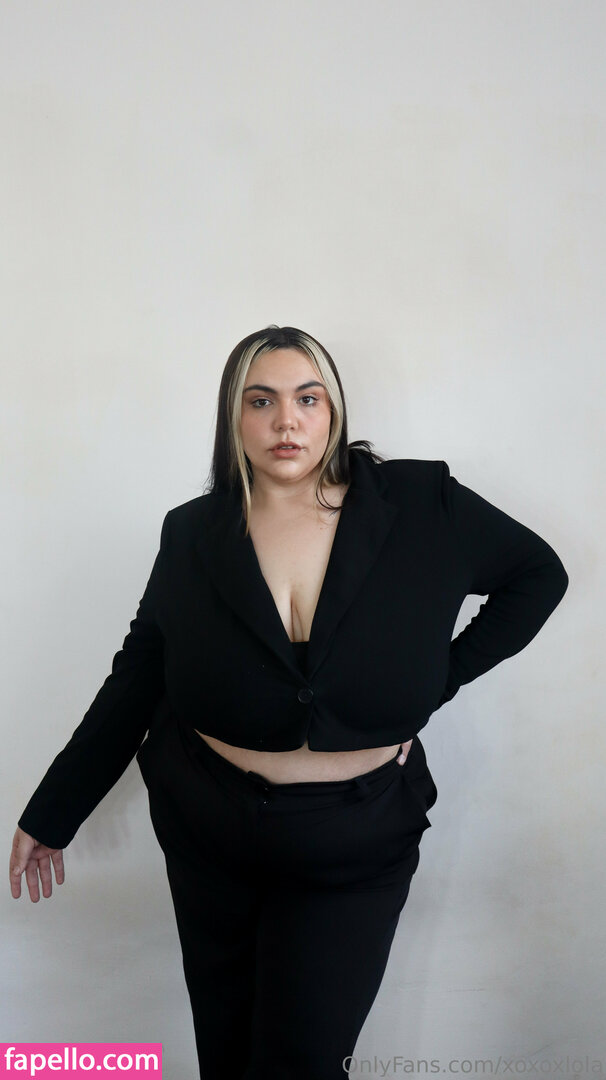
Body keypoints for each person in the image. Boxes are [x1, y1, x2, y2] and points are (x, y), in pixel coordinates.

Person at [10, 325, 569, 1080]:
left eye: (308, 399)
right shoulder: (191, 532)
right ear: (233, 418)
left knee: (300, 1063)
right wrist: (54, 811)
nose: (286, 422)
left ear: (333, 409)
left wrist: (437, 679)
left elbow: (539, 576)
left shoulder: (420, 501)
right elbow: (139, 675)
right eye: (261, 401)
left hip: (355, 840)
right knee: (228, 1055)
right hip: (209, 829)